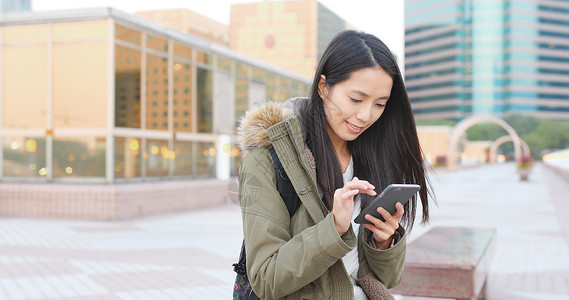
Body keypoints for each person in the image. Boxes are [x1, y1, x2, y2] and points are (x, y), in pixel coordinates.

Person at [236, 30, 432, 300]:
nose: (365, 116)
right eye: (356, 99)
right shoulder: (268, 160)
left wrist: (384, 242)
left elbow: (387, 279)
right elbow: (266, 279)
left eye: (379, 104)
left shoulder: (372, 157)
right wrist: (334, 229)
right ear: (323, 87)